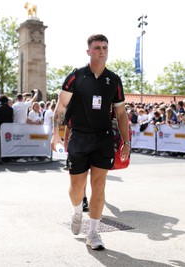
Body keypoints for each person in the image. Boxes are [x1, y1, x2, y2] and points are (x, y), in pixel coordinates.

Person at [50, 34, 130, 250]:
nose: (101, 51)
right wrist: (56, 133)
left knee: (99, 185)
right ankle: (77, 212)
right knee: (76, 188)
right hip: (79, 136)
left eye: (105, 47)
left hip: (103, 138)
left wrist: (127, 142)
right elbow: (62, 105)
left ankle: (93, 233)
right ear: (89, 51)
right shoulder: (76, 76)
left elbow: (121, 114)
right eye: (97, 47)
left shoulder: (114, 80)